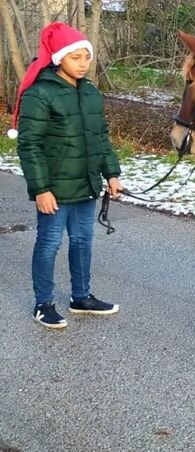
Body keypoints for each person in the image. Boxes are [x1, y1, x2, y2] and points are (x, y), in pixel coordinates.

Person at [8, 22, 124, 329]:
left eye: (87, 57)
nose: (84, 63)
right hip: (55, 190)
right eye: (76, 57)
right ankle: (43, 303)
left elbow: (101, 138)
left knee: (83, 242)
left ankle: (81, 297)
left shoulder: (90, 94)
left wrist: (111, 174)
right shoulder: (40, 94)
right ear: (60, 58)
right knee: (48, 244)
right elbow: (29, 145)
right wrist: (41, 189)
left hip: (86, 184)